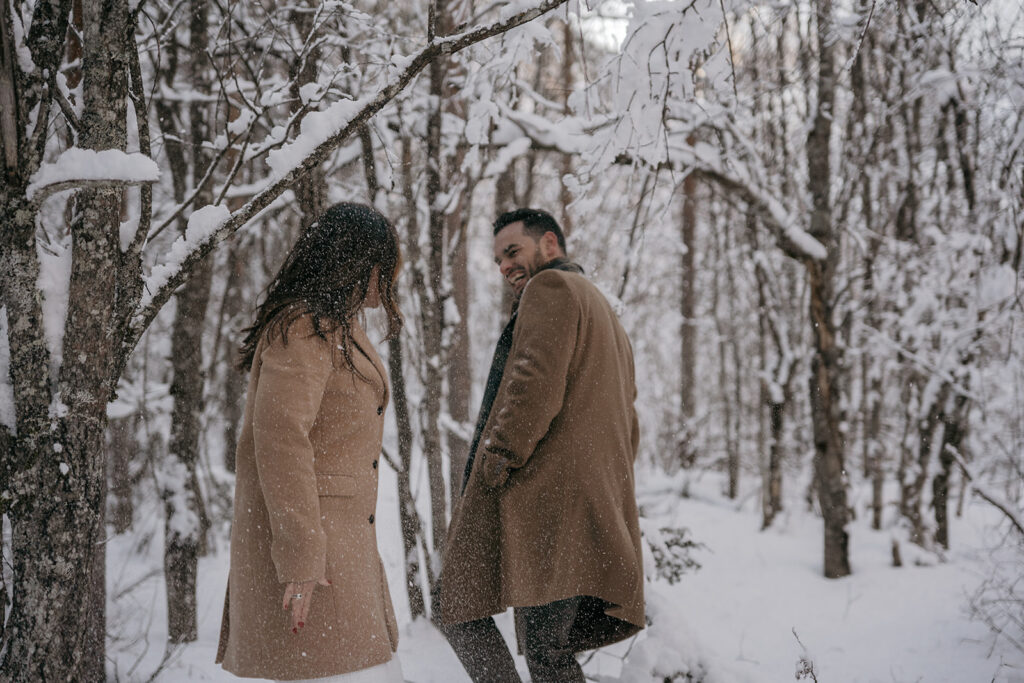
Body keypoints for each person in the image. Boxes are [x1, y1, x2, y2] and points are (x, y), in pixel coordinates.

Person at [438, 208, 645, 682]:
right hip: (583, 503)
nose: (505, 266)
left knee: (456, 603)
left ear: (549, 245)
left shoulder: (550, 289)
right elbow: (628, 420)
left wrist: (499, 456)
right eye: (497, 260)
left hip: (546, 503)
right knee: (549, 650)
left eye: (513, 251)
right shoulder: (602, 310)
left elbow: (533, 381)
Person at [217, 202, 404, 683]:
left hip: (343, 545)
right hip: (315, 556)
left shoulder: (340, 326)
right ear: (360, 262)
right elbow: (280, 441)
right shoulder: (305, 326)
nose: (392, 276)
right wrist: (300, 557)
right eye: (387, 263)